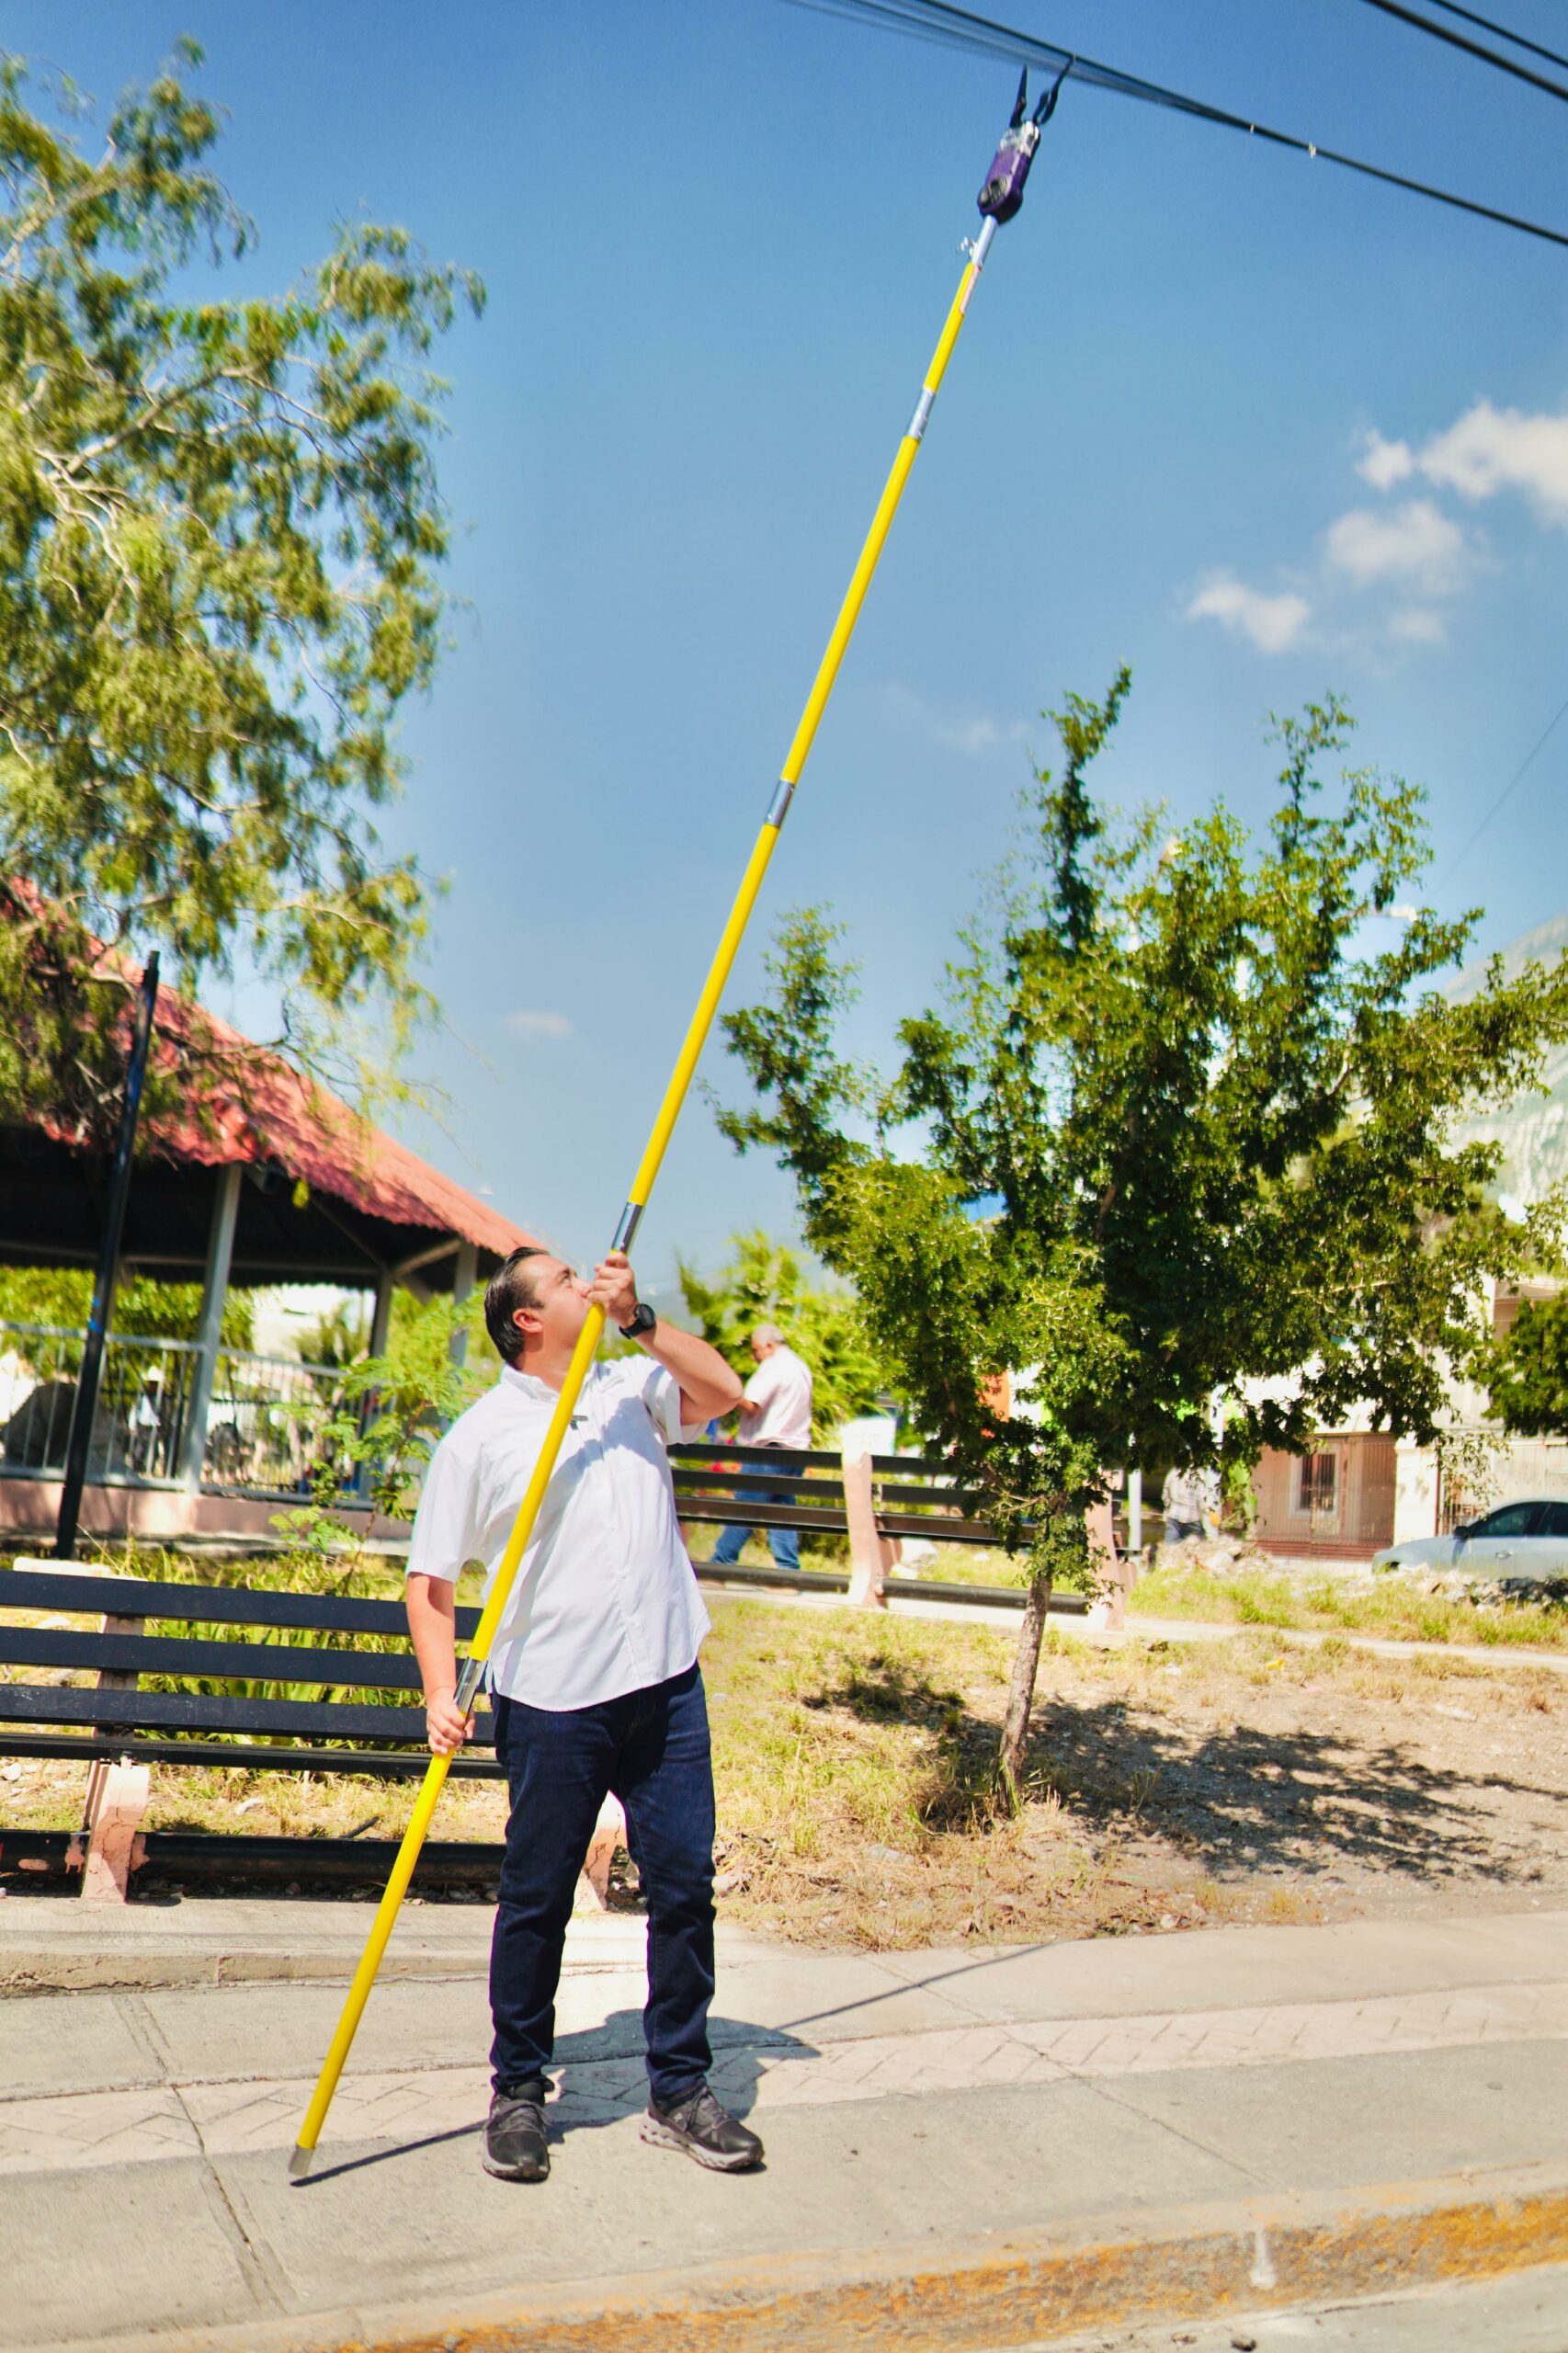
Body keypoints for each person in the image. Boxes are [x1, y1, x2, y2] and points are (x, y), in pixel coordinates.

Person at [404, 1245, 762, 2186]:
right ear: (525, 1319)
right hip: (556, 1700)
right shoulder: (480, 1437)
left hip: (665, 1684)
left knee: (683, 1886)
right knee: (537, 1900)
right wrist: (441, 1693)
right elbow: (430, 1579)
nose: (581, 1284)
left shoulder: (629, 1386)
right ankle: (518, 2088)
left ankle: (679, 2086)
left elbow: (726, 1391)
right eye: (562, 1281)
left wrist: (643, 1318)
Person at [709, 1323, 814, 1574]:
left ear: (769, 1346)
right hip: (794, 1451)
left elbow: (752, 1405)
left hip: (768, 1450)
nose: (754, 1356)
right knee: (782, 1511)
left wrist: (724, 1395)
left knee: (745, 1507)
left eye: (756, 1350)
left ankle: (720, 1566)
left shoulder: (774, 1366)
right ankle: (788, 1572)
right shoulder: (801, 1367)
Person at [1162, 1463, 1209, 1545]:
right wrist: (1209, 1513)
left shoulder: (1173, 1471)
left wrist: (1169, 1504)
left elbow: (1165, 1496)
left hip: (1173, 1517)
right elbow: (1203, 1501)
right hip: (1192, 1520)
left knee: (1171, 1551)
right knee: (1194, 1552)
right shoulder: (1199, 1473)